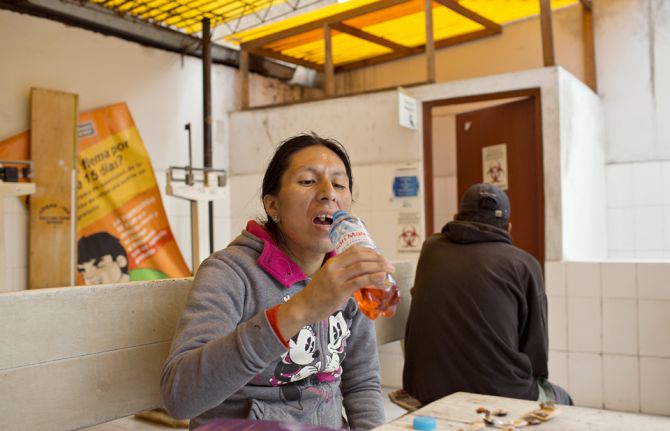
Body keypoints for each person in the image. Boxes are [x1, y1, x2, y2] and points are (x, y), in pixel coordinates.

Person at [161, 133, 393, 430]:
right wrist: (301, 309)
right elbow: (180, 398)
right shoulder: (230, 273)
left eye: (338, 183)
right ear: (273, 206)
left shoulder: (347, 273)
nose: (328, 193)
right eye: (308, 181)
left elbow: (362, 382)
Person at [402, 183, 572, 406]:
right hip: (500, 393)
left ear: (456, 217)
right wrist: (534, 381)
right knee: (564, 400)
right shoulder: (524, 265)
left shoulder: (431, 249)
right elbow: (536, 351)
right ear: (508, 228)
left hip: (424, 389)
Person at [77, 231, 167, 285]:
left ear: (120, 261)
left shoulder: (150, 279)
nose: (89, 276)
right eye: (83, 271)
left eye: (98, 264)